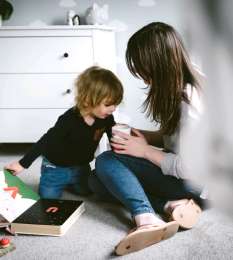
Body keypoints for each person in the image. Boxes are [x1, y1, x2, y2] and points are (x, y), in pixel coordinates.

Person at [88, 22, 206, 255]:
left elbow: (192, 168)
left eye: (144, 70)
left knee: (106, 162)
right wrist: (146, 137)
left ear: (159, 65)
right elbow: (179, 139)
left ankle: (147, 219)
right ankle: (172, 204)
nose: (143, 79)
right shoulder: (184, 82)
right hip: (193, 185)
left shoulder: (189, 102)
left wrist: (144, 151)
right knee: (96, 181)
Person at [4, 66, 124, 199]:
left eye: (115, 104)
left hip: (81, 166)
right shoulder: (68, 119)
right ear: (86, 101)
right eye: (107, 105)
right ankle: (60, 182)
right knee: (48, 198)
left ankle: (72, 182)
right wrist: (22, 164)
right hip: (55, 166)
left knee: (87, 191)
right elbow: (46, 141)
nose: (113, 109)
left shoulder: (106, 118)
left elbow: (113, 139)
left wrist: (119, 153)